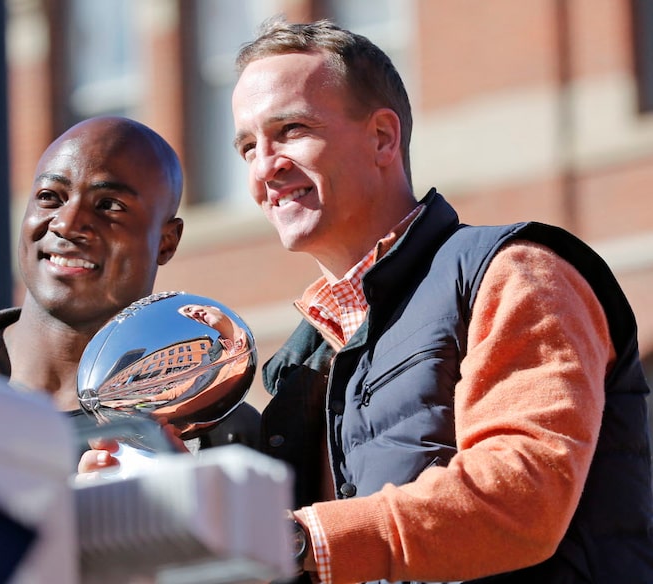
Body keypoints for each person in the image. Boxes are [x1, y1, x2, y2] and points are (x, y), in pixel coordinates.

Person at [231, 17, 653, 584]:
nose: (264, 167)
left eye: (292, 130)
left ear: (383, 137)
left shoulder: (513, 271)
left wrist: (299, 540)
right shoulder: (301, 365)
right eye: (246, 146)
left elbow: (521, 497)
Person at [0, 116, 260, 465]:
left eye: (109, 206)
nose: (67, 223)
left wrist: (184, 503)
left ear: (166, 242)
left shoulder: (223, 437)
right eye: (49, 197)